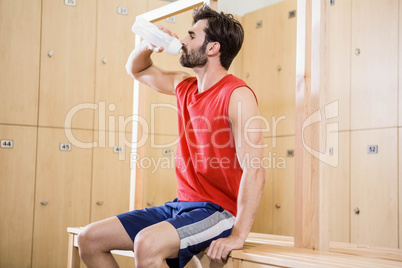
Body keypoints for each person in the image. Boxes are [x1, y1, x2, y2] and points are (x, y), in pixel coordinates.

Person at [77, 5, 265, 268]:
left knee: (147, 244)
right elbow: (137, 70)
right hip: (181, 206)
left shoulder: (237, 95)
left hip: (218, 211)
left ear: (212, 48)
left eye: (191, 35)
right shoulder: (184, 86)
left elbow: (254, 169)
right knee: (89, 239)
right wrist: (147, 45)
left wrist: (238, 235)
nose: (182, 41)